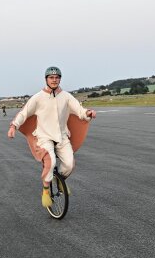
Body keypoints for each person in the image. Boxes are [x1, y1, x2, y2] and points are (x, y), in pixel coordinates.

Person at [7, 66, 96, 208]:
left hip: (62, 136)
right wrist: (13, 126)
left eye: (57, 77)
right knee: (50, 161)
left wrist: (88, 113)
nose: (54, 80)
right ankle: (46, 190)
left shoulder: (66, 96)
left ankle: (59, 180)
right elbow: (23, 113)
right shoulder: (38, 97)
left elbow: (80, 110)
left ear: (60, 79)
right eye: (51, 77)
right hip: (44, 137)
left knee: (69, 164)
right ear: (46, 79)